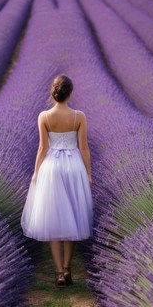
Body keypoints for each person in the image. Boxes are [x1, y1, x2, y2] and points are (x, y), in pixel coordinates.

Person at [21, 75, 93, 288]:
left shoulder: (44, 116)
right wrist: (88, 173)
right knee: (73, 216)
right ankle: (70, 269)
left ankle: (59, 273)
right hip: (73, 167)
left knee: (52, 219)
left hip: (52, 167)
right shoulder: (79, 116)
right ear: (70, 93)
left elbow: (42, 148)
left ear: (53, 93)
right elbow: (84, 148)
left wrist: (35, 173)